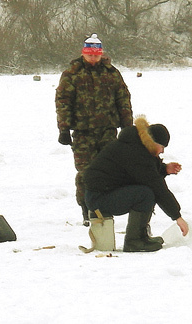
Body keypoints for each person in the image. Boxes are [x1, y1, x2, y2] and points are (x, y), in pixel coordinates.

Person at [55, 33, 133, 226]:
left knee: (109, 171)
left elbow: (123, 99)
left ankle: (105, 207)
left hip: (108, 131)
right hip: (83, 133)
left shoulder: (111, 73)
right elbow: (63, 101)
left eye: (96, 54)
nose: (93, 58)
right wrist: (64, 129)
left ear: (101, 54)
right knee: (85, 173)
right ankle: (86, 209)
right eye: (89, 54)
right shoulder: (72, 74)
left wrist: (127, 126)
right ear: (83, 53)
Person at [84, 115, 189, 252]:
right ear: (152, 142)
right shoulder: (136, 152)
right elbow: (155, 184)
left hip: (103, 193)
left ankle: (141, 237)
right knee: (145, 194)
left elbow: (144, 172)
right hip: (99, 199)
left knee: (146, 191)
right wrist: (177, 217)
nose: (163, 151)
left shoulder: (136, 144)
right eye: (162, 147)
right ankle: (134, 241)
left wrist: (164, 169)